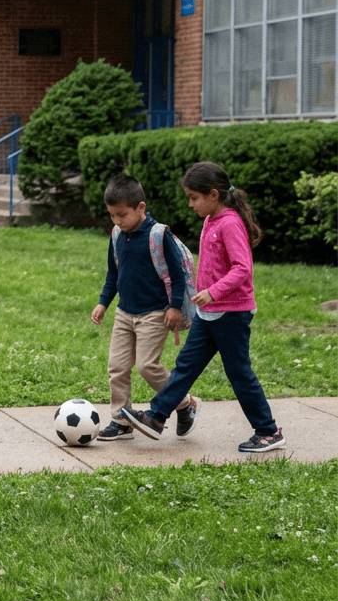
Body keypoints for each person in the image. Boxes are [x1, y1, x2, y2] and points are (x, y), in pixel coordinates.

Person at [121, 162, 284, 453]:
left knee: (239, 373)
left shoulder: (230, 223)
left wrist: (213, 291)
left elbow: (242, 269)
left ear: (212, 195)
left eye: (194, 197)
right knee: (185, 366)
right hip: (209, 313)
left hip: (232, 313)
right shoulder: (211, 220)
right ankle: (156, 417)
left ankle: (268, 431)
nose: (190, 203)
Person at [91, 174, 197, 441]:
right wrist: (104, 303)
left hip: (154, 314)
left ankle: (184, 403)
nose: (116, 221)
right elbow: (113, 274)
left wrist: (174, 308)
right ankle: (121, 420)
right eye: (112, 215)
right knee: (117, 367)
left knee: (147, 366)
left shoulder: (158, 235)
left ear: (141, 207)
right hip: (124, 313)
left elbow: (177, 275)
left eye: (122, 215)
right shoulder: (117, 234)